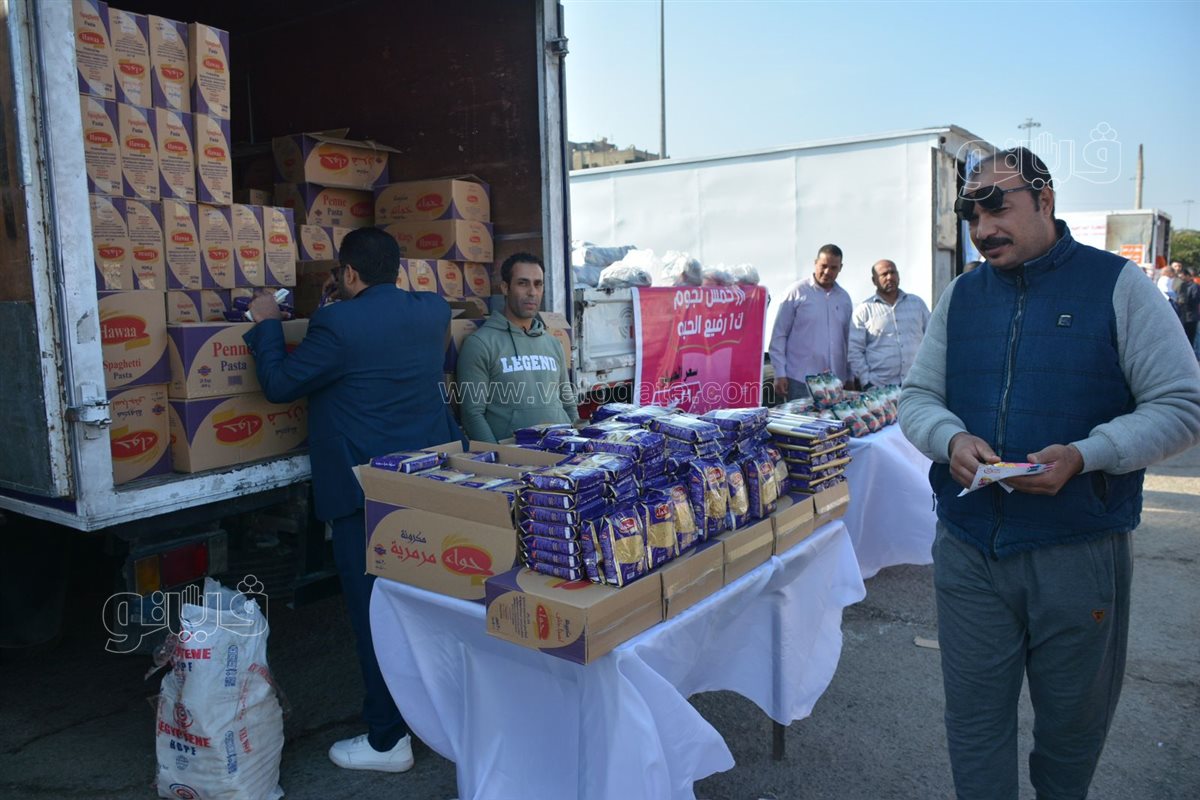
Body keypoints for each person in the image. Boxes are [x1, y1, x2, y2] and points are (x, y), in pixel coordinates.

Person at [899, 147, 1200, 800]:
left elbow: (1182, 406)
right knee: (974, 724)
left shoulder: (1118, 286)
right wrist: (949, 439)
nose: (982, 230)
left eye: (997, 209)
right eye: (971, 217)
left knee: (1071, 731)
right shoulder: (961, 297)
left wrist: (1089, 454)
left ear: (1045, 200)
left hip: (1077, 551)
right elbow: (917, 398)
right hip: (969, 550)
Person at [243, 227, 465, 773]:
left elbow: (281, 384)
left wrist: (267, 321)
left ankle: (388, 740)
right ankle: (444, 718)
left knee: (375, 619)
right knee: (429, 609)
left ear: (348, 273)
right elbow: (412, 354)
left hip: (365, 493)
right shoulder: (433, 310)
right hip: (427, 481)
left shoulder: (337, 324)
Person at [456, 252, 577, 442]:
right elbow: (472, 415)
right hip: (514, 455)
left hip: (561, 449)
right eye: (523, 283)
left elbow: (568, 404)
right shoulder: (480, 344)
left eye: (538, 284)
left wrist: (579, 444)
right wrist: (497, 455)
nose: (532, 292)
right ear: (505, 287)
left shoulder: (553, 343)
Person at [769, 244, 853, 400]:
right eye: (823, 266)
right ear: (815, 263)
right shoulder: (797, 292)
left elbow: (848, 340)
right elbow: (779, 334)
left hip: (835, 382)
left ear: (840, 268)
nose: (827, 272)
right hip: (801, 380)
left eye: (833, 267)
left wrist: (850, 375)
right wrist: (779, 373)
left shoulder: (844, 298)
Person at [847, 259, 931, 389]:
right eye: (884, 274)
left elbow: (931, 339)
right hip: (879, 388)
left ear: (898, 276)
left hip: (915, 384)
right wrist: (867, 382)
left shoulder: (917, 304)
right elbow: (855, 351)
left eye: (893, 272)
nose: (890, 277)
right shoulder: (864, 310)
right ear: (874, 280)